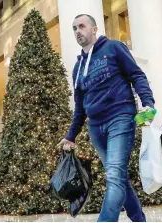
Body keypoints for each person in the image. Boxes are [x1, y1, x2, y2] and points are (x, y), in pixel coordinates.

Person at [58, 14, 155, 222]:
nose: (77, 31)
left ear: (94, 29)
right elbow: (80, 107)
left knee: (113, 176)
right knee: (118, 177)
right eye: (74, 28)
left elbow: (136, 75)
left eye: (82, 26)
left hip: (120, 117)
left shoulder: (113, 48)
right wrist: (71, 135)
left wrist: (148, 103)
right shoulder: (78, 68)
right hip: (96, 127)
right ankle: (139, 219)